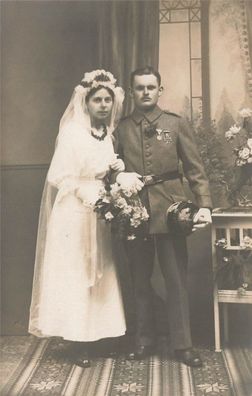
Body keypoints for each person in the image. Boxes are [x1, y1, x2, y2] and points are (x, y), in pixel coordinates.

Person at [113, 66, 212, 367]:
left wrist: (204, 203)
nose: (145, 92)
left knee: (176, 279)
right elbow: (111, 170)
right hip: (135, 212)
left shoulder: (176, 124)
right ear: (131, 92)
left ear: (160, 90)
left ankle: (183, 345)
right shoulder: (122, 128)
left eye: (151, 87)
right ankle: (144, 339)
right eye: (140, 88)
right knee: (139, 279)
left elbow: (195, 169)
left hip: (172, 211)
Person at [29, 70, 126, 367]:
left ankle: (99, 334)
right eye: (97, 100)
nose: (103, 105)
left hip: (99, 209)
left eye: (107, 100)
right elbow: (58, 175)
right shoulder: (72, 132)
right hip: (74, 211)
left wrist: (116, 168)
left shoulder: (106, 134)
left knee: (101, 269)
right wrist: (86, 194)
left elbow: (104, 169)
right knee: (76, 271)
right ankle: (76, 340)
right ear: (86, 102)